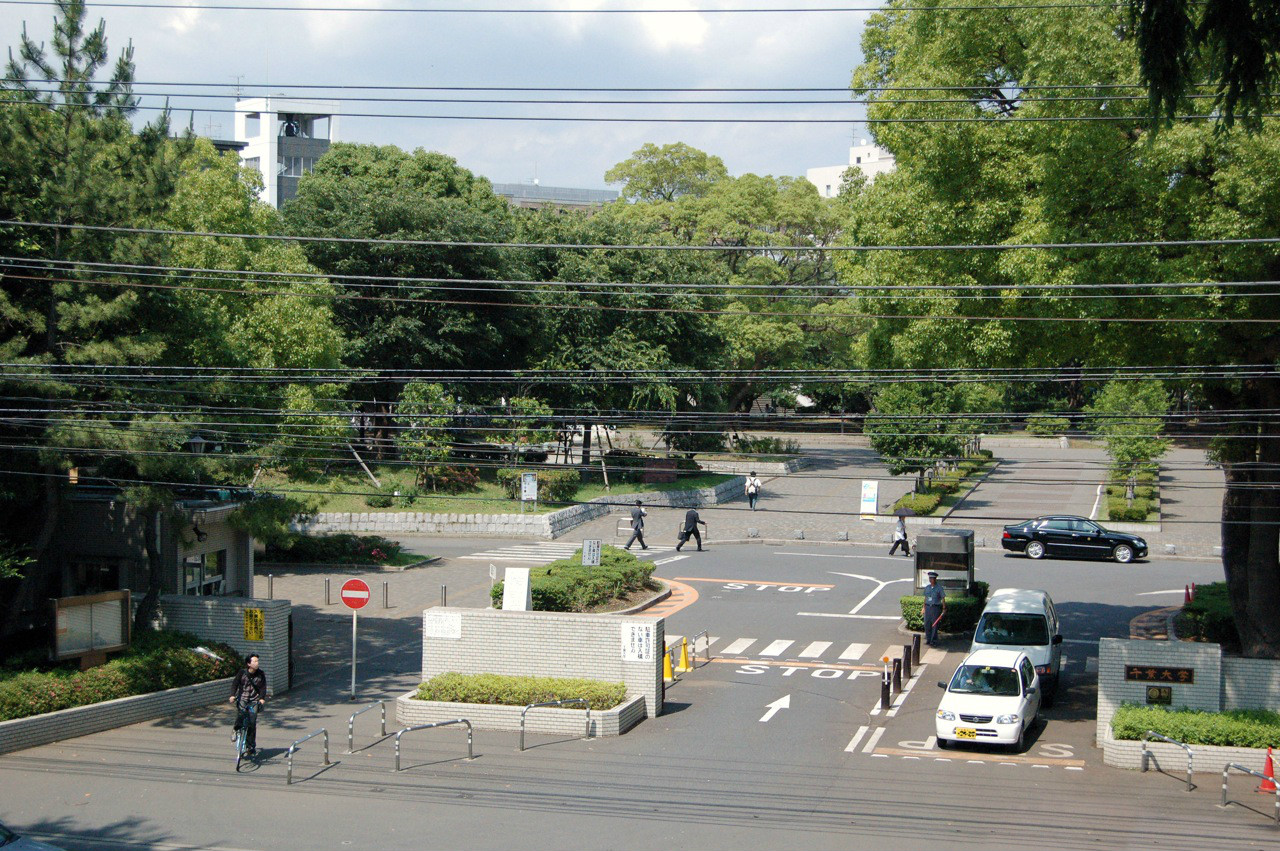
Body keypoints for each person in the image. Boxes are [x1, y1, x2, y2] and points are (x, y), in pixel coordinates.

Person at [229, 653, 267, 756]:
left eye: (257, 661)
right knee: (241, 714)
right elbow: (235, 684)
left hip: (254, 700)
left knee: (252, 722)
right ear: (248, 664)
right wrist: (232, 695)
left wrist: (262, 698)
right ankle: (236, 729)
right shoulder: (242, 673)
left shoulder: (261, 674)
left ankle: (250, 746)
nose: (257, 663)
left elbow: (263, 687)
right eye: (255, 661)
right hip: (243, 698)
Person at [921, 571, 947, 647]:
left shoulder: (939, 588)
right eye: (930, 578)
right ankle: (928, 639)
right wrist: (923, 607)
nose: (931, 580)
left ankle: (933, 641)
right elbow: (925, 598)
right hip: (928, 607)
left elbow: (943, 598)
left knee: (934, 624)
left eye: (932, 578)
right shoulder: (927, 587)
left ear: (935, 579)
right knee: (927, 624)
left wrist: (944, 608)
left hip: (935, 608)